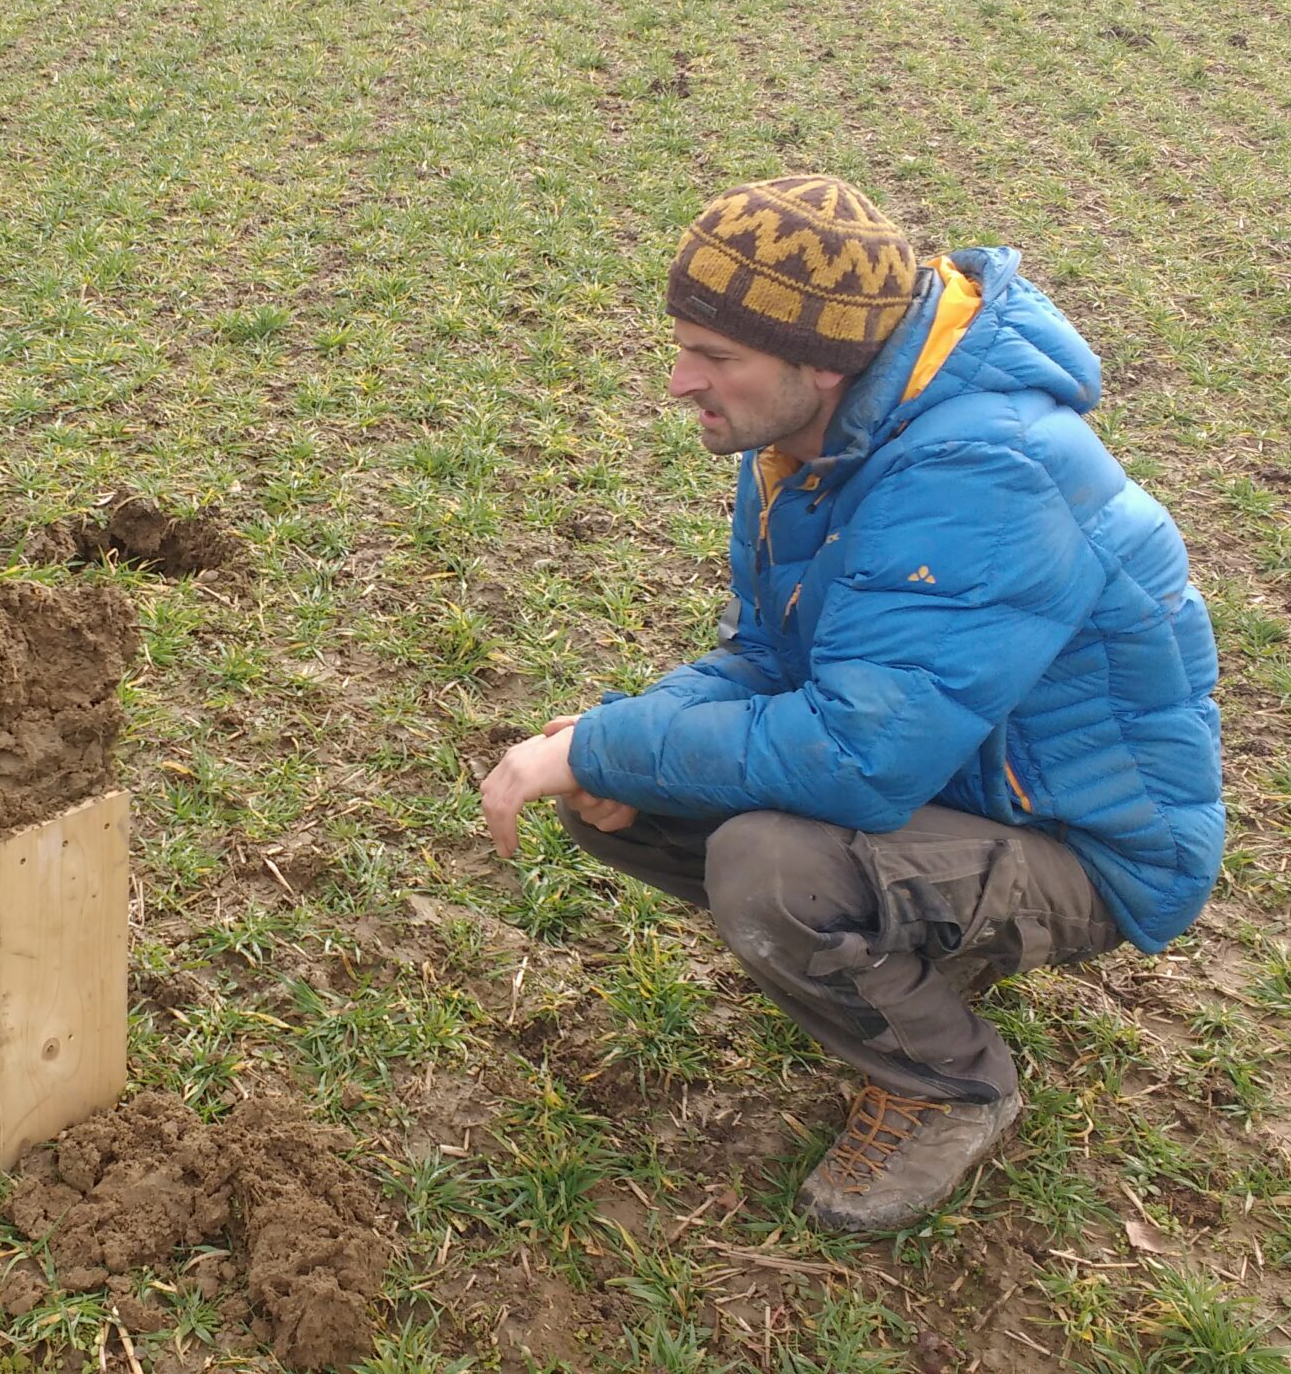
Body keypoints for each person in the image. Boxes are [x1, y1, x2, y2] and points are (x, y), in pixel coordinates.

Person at [480, 174, 1223, 1232]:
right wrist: (607, 745)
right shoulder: (813, 440)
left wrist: (611, 745)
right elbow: (771, 658)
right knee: (629, 790)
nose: (680, 382)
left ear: (817, 359)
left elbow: (855, 758)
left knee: (770, 868)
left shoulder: (982, 468)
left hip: (1085, 845)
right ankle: (909, 950)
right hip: (956, 784)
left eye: (715, 356)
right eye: (683, 343)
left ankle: (947, 1084)